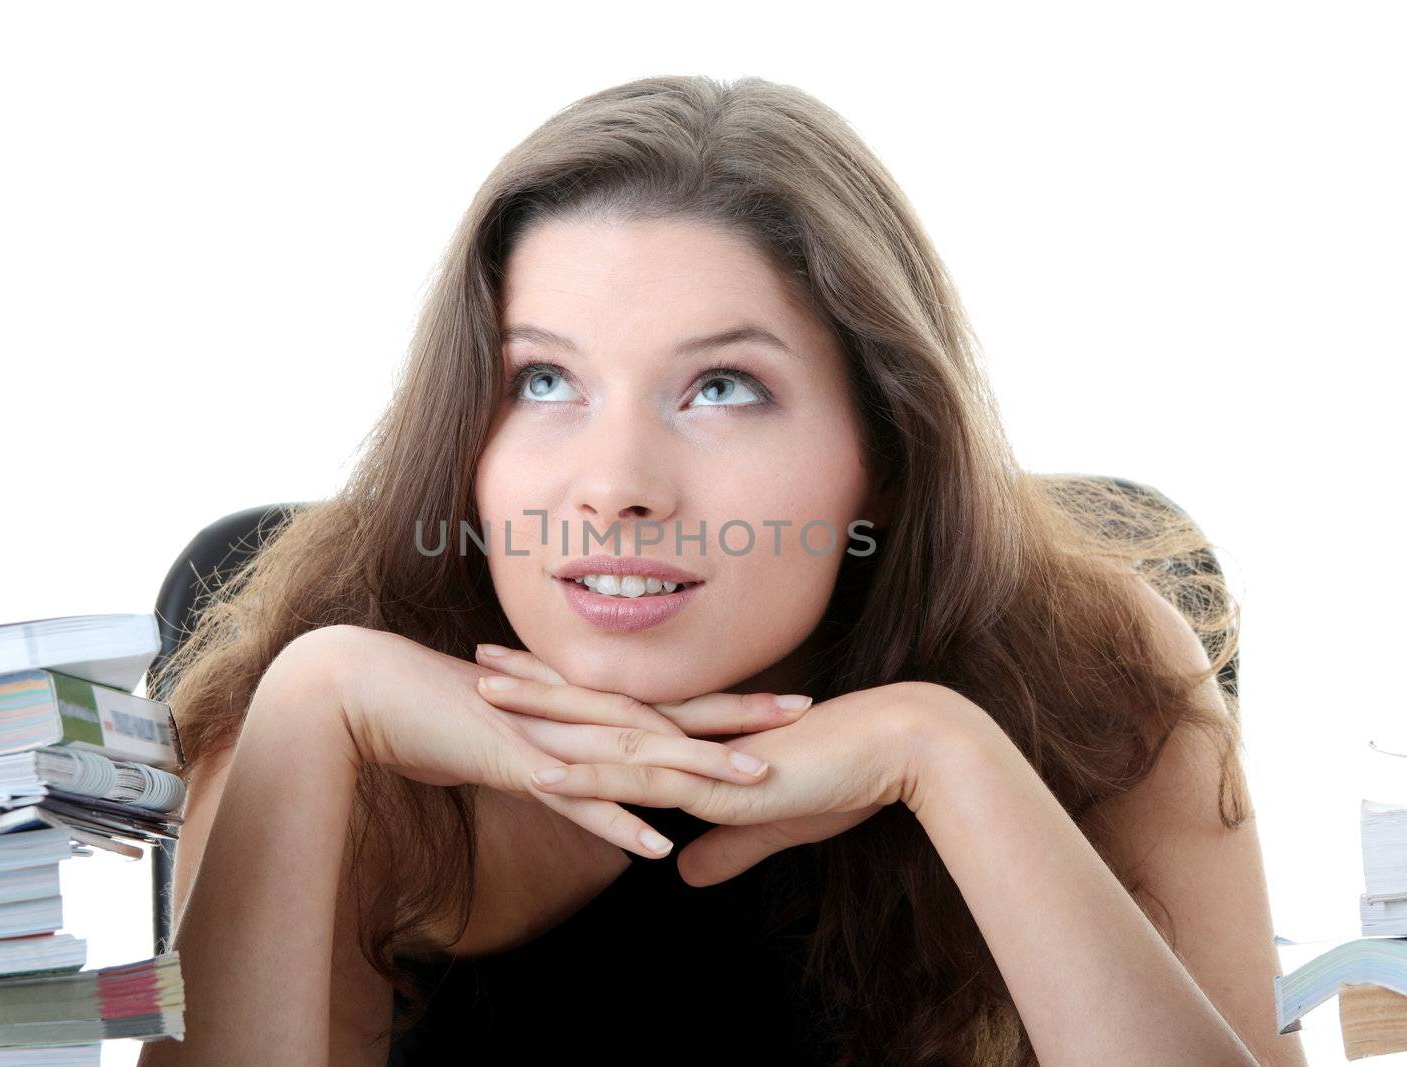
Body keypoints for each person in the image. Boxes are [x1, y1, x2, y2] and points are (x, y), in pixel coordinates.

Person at [138, 74, 1306, 1066]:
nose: (613, 486)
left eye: (720, 388)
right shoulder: (311, 700)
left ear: (887, 448)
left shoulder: (1096, 666)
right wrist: (310, 706)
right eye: (543, 381)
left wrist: (945, 756)